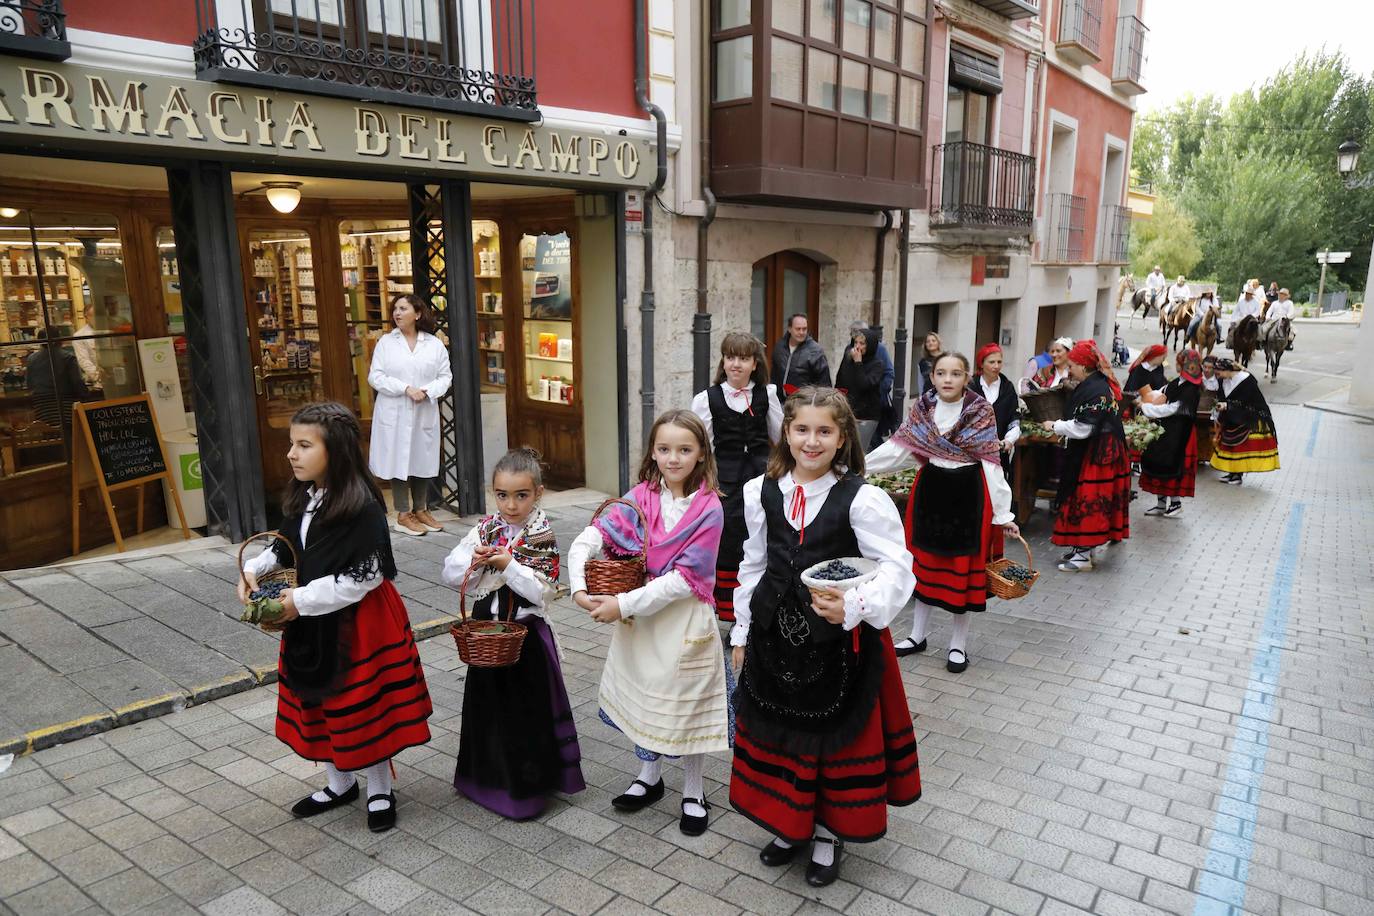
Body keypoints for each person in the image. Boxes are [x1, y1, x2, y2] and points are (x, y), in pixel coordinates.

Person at [730, 387, 920, 887]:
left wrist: (854, 605)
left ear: (842, 439)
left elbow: (899, 570)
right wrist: (742, 632)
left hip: (838, 645)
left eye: (824, 432)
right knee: (783, 736)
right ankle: (790, 827)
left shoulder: (862, 498)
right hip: (774, 641)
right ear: (786, 433)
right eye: (801, 430)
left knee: (828, 743)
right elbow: (753, 565)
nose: (811, 441)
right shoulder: (760, 491)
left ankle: (825, 835)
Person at [238, 402, 432, 833]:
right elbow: (286, 546)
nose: (292, 454)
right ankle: (339, 782)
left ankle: (380, 787)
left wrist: (298, 601)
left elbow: (364, 576)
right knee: (319, 702)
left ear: (337, 451)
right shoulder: (302, 495)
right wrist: (252, 571)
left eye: (304, 445)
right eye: (292, 444)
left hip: (359, 622)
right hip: (309, 615)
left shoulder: (361, 505)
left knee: (363, 705)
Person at [569, 410, 730, 836]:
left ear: (700, 454)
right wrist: (578, 575)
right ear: (652, 452)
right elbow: (600, 531)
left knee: (688, 706)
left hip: (682, 620)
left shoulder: (709, 508)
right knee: (647, 698)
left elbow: (683, 580)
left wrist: (622, 604)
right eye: (664, 449)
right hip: (643, 619)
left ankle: (694, 791)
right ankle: (649, 776)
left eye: (684, 449)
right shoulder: (641, 496)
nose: (673, 458)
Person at [441, 448, 586, 819]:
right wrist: (473, 562)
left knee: (523, 717)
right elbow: (451, 573)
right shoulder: (486, 527)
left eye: (521, 495)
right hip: (485, 636)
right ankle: (482, 782)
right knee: (486, 711)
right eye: (502, 495)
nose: (510, 504)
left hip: (524, 638)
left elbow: (543, 592)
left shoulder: (542, 536)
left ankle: (525, 794)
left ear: (538, 493)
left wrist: (508, 566)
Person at [867, 353, 1018, 672]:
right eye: (941, 373)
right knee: (924, 566)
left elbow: (992, 463)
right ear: (932, 377)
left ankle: (958, 646)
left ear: (967, 378)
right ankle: (917, 635)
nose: (948, 379)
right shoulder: (923, 409)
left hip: (968, 494)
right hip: (931, 491)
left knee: (960, 572)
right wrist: (860, 466)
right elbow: (900, 450)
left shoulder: (980, 411)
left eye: (955, 373)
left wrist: (1003, 514)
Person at [690, 332, 783, 622]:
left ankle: (756, 612)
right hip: (725, 485)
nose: (736, 364)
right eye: (730, 357)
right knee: (729, 545)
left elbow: (780, 437)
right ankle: (729, 613)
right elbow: (699, 446)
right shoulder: (707, 398)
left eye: (743, 358)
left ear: (754, 363)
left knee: (762, 540)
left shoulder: (766, 394)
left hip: (761, 480)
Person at [367, 294, 453, 537]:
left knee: (421, 458)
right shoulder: (386, 342)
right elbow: (376, 376)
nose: (397, 313)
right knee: (398, 459)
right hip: (395, 409)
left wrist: (427, 391)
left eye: (403, 308)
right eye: (395, 309)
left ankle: (421, 509)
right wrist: (405, 388)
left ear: (417, 314)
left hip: (423, 409)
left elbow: (445, 377)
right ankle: (403, 514)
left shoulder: (434, 344)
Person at [1050, 341, 1132, 572]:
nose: (1070, 369)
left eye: (1073, 365)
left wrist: (1055, 425)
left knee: (1087, 498)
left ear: (1085, 367)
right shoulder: (1094, 385)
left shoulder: (1096, 390)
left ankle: (1083, 556)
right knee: (1086, 498)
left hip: (1099, 456)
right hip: (1099, 451)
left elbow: (1084, 428)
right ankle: (1084, 549)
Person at [1138, 349, 1204, 517]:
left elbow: (1172, 409)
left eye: (1179, 363)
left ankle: (1175, 503)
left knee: (1174, 466)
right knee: (1160, 463)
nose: (1175, 365)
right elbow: (1162, 392)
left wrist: (1146, 408)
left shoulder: (1191, 388)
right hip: (1168, 432)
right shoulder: (1178, 382)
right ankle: (1161, 504)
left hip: (1181, 434)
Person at [1207, 357, 1280, 484]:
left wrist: (1228, 406)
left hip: (1249, 418)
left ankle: (1237, 476)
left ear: (1228, 370)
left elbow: (1247, 404)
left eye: (1219, 372)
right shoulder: (1223, 380)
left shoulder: (1247, 381)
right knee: (1231, 447)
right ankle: (1232, 473)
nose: (1217, 375)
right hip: (1232, 417)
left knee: (1240, 447)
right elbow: (1222, 397)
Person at [25, 329, 88, 447]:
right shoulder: (67, 357)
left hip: (42, 412)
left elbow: (29, 385)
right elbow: (77, 383)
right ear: (59, 340)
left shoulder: (31, 359)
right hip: (66, 411)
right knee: (73, 442)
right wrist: (86, 396)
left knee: (51, 442)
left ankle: (55, 461)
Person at [969, 342, 1020, 479]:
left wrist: (1009, 440)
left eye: (999, 362)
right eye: (992, 362)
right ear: (981, 364)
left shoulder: (1007, 388)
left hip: (999, 453)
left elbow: (1014, 418)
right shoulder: (970, 387)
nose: (996, 366)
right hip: (972, 455)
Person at [834, 325, 885, 448]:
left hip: (866, 416)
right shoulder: (847, 358)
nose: (857, 346)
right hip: (847, 410)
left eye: (862, 343)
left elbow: (864, 385)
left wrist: (858, 363)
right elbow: (839, 382)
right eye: (856, 342)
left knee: (859, 448)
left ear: (870, 346)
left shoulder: (877, 364)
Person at [770, 313, 831, 401]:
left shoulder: (816, 351)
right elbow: (774, 375)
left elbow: (824, 384)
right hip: (779, 402)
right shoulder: (779, 347)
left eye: (804, 329)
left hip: (803, 404)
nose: (801, 332)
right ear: (789, 329)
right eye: (798, 329)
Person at [915, 332, 942, 396]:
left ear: (938, 343)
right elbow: (921, 383)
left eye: (933, 341)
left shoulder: (946, 358)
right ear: (925, 345)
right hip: (929, 396)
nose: (930, 343)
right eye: (928, 341)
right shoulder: (922, 362)